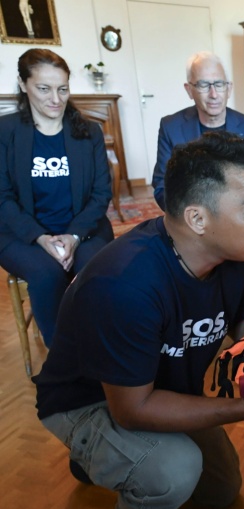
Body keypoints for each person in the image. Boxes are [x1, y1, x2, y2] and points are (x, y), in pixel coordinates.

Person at [33, 131, 244, 509]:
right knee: (174, 472)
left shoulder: (236, 252)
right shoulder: (125, 284)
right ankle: (114, 497)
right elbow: (132, 411)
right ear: (197, 218)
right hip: (88, 402)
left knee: (221, 491)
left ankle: (94, 465)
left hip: (157, 388)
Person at [0, 48, 113, 347]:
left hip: (83, 229)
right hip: (22, 233)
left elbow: (101, 194)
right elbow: (2, 198)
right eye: (44, 89)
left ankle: (102, 345)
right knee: (46, 274)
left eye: (63, 89)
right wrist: (41, 238)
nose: (56, 99)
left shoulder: (89, 132)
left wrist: (73, 236)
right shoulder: (5, 131)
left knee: (97, 270)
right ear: (24, 85)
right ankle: (63, 358)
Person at [151, 51, 244, 212]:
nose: (213, 94)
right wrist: (191, 220)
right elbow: (162, 186)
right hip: (192, 223)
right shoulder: (170, 127)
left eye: (219, 84)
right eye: (203, 85)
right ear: (189, 90)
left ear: (229, 88)